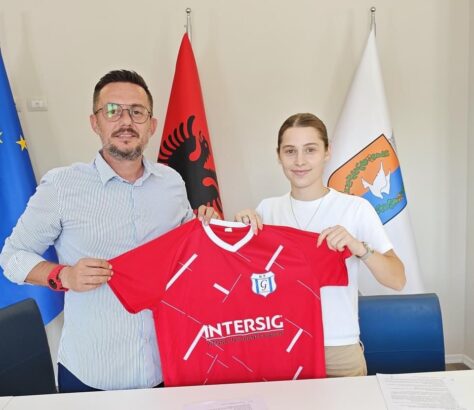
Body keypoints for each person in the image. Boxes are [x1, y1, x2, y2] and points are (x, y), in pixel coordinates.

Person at [0, 70, 217, 392]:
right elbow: (11, 256)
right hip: (91, 373)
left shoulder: (172, 182)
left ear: (151, 125)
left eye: (137, 112)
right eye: (113, 111)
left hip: (166, 367)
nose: (125, 121)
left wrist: (205, 225)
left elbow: (185, 249)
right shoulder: (61, 186)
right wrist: (63, 275)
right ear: (95, 122)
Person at [235, 112, 406, 377]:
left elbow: (397, 279)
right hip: (281, 344)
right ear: (279, 155)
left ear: (327, 152)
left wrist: (360, 248)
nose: (299, 161)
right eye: (290, 151)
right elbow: (244, 281)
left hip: (338, 349)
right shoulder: (266, 211)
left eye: (310, 150)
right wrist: (238, 232)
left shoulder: (355, 209)